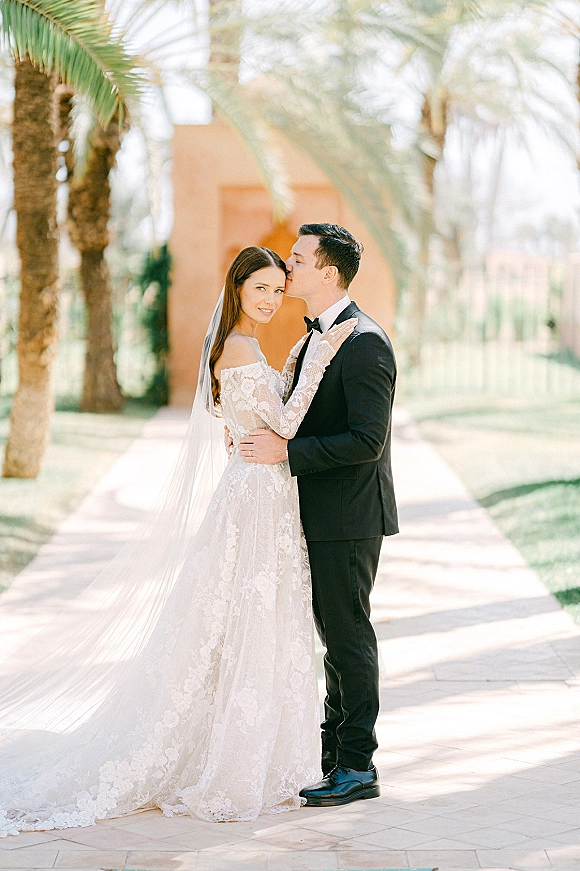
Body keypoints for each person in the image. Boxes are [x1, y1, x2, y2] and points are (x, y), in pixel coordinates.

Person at [0, 245, 356, 835]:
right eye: (259, 289)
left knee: (249, 624)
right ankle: (233, 763)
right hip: (256, 503)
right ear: (238, 289)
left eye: (276, 289)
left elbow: (252, 421)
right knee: (246, 623)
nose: (270, 299)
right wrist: (322, 352)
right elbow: (287, 424)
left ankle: (255, 752)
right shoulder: (241, 350)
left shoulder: (244, 346)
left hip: (260, 496)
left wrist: (293, 357)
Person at [238, 224, 398, 807]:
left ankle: (358, 766)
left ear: (327, 273)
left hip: (350, 515)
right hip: (314, 512)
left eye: (298, 260)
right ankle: (333, 759)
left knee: (348, 636)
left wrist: (287, 453)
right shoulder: (312, 341)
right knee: (332, 635)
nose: (288, 267)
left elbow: (367, 441)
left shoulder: (367, 343)